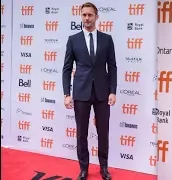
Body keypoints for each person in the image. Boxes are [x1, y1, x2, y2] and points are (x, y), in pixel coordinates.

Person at [62, 2, 117, 180]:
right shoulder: (73, 40)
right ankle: (83, 168)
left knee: (103, 132)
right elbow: (66, 68)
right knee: (81, 134)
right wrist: (66, 94)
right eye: (84, 15)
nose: (87, 18)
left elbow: (113, 67)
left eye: (90, 15)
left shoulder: (107, 39)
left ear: (96, 17)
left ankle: (104, 168)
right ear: (81, 16)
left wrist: (113, 91)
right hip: (81, 93)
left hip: (102, 93)